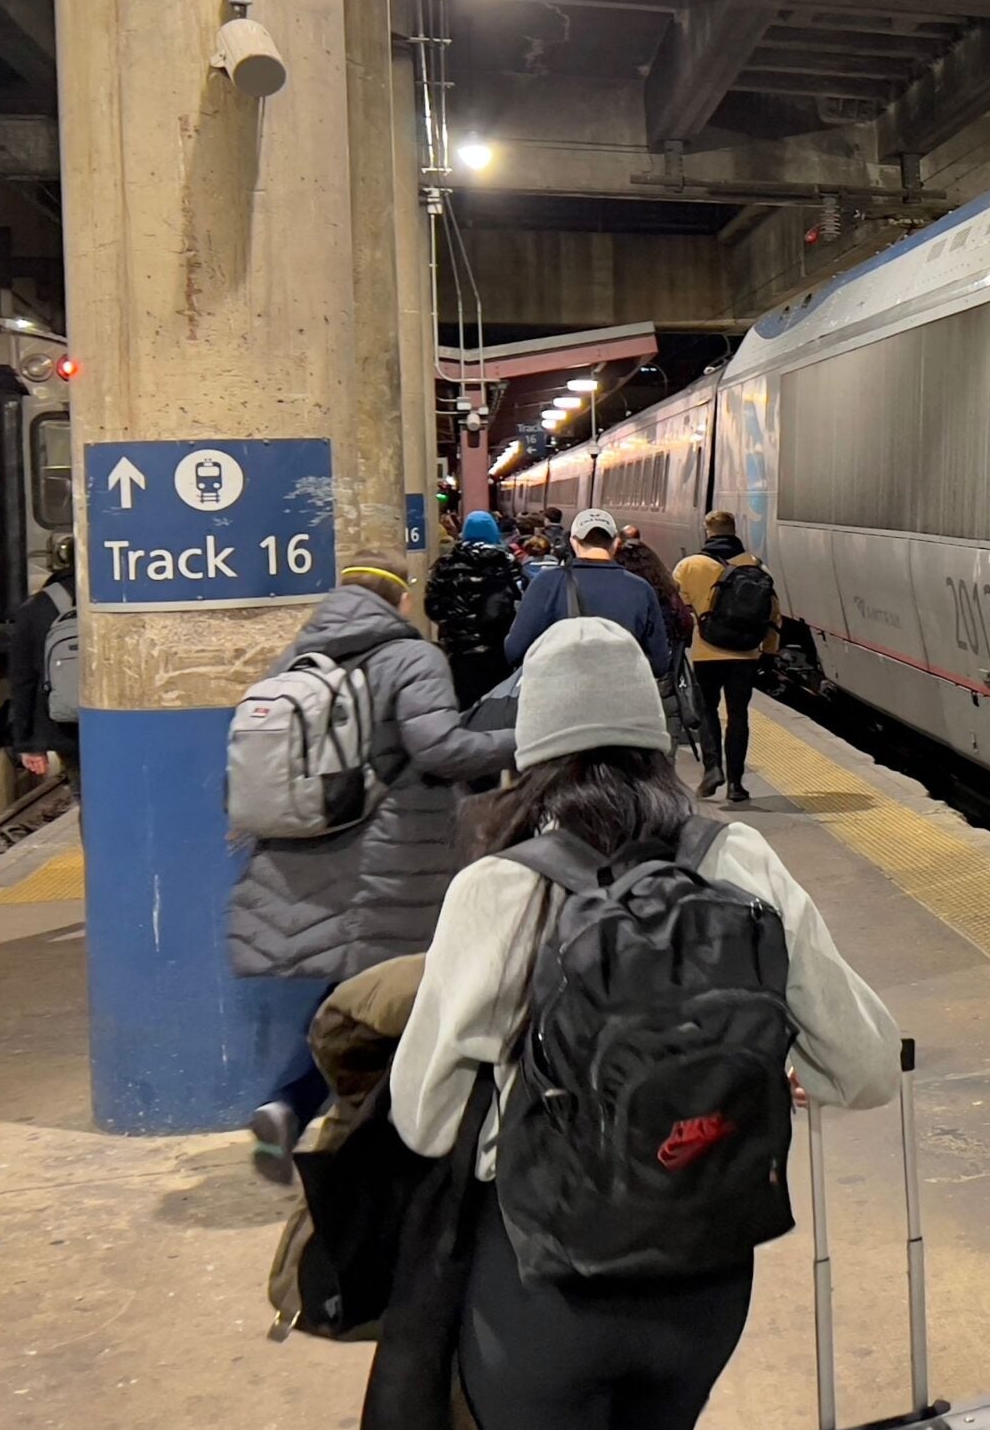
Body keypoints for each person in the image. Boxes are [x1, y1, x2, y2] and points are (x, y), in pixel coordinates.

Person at [386, 616, 900, 1430]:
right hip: (703, 1277)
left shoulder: (497, 889)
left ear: (529, 753)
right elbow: (866, 1066)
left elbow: (422, 1121)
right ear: (658, 740)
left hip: (545, 1289)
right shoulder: (738, 860)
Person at [230, 556, 516, 1182]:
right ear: (400, 599)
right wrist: (521, 740)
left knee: (350, 994)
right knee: (399, 996)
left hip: (307, 851)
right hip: (395, 857)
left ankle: (290, 1105)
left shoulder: (297, 659)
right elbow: (441, 750)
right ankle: (367, 1137)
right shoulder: (413, 657)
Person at [674, 510, 781, 802]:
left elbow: (677, 610)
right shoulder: (755, 565)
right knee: (738, 715)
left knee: (707, 710)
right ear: (734, 530)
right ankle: (736, 784)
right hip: (745, 654)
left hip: (706, 654)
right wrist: (769, 652)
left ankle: (712, 769)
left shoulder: (690, 565)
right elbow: (772, 614)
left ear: (707, 531)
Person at [504, 507, 673, 677]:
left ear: (573, 542)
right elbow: (659, 664)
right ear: (615, 543)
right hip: (620, 689)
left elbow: (515, 651)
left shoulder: (547, 583)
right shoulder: (641, 588)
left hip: (560, 688)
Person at [425, 511, 527, 709]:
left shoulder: (445, 564)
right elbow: (520, 600)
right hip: (497, 648)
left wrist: (455, 623)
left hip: (457, 649)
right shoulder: (507, 562)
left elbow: (432, 607)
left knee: (464, 703)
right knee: (495, 705)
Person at [7, 534, 78, 798]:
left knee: (87, 795)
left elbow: (23, 679)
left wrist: (29, 743)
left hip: (66, 723)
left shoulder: (38, 606)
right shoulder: (127, 596)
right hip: (126, 719)